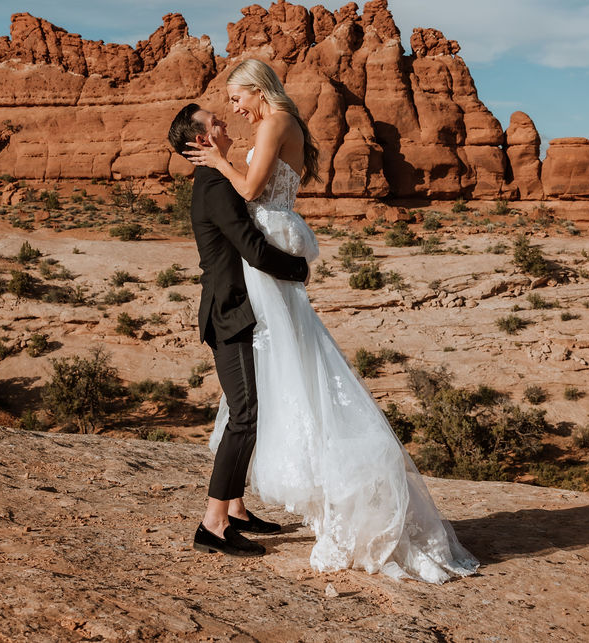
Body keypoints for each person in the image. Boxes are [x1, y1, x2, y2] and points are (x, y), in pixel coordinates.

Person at [184, 59, 479, 582]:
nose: (234, 110)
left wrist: (218, 162)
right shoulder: (274, 125)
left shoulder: (275, 122)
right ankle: (230, 511)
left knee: (279, 374)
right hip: (260, 267)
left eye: (236, 98)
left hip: (266, 262)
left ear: (258, 90)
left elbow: (252, 193)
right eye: (227, 106)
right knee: (268, 380)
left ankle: (231, 511)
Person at [167, 102, 310, 558]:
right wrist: (299, 268)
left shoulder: (216, 180)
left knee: (240, 410)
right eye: (215, 122)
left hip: (238, 310)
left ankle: (236, 509)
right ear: (202, 141)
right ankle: (213, 524)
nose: (224, 123)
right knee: (246, 414)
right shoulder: (215, 185)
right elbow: (251, 249)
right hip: (229, 313)